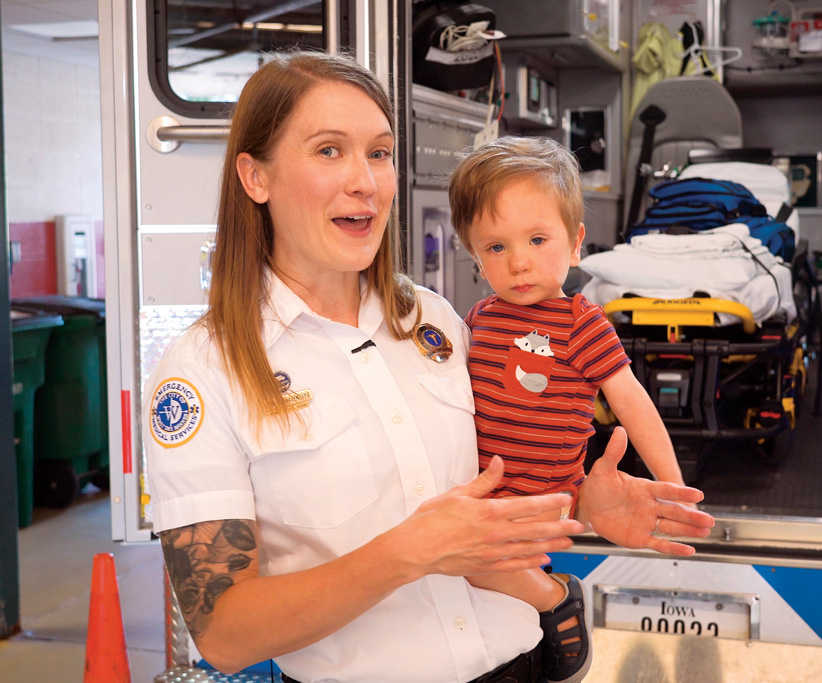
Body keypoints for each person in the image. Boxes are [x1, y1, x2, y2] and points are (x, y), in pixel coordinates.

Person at [144, 50, 715, 683]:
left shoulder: (439, 321)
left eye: (380, 153)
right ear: (257, 178)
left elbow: (499, 460)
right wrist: (409, 554)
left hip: (519, 665)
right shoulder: (204, 369)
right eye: (329, 150)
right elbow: (224, 634)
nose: (365, 180)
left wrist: (580, 497)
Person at [447, 136, 688, 683]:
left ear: (575, 242)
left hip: (541, 497)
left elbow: (634, 404)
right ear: (475, 254)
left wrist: (669, 484)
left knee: (477, 563)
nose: (520, 262)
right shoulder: (480, 316)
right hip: (487, 494)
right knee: (477, 572)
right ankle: (541, 602)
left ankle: (556, 600)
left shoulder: (581, 323)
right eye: (496, 247)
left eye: (536, 239)